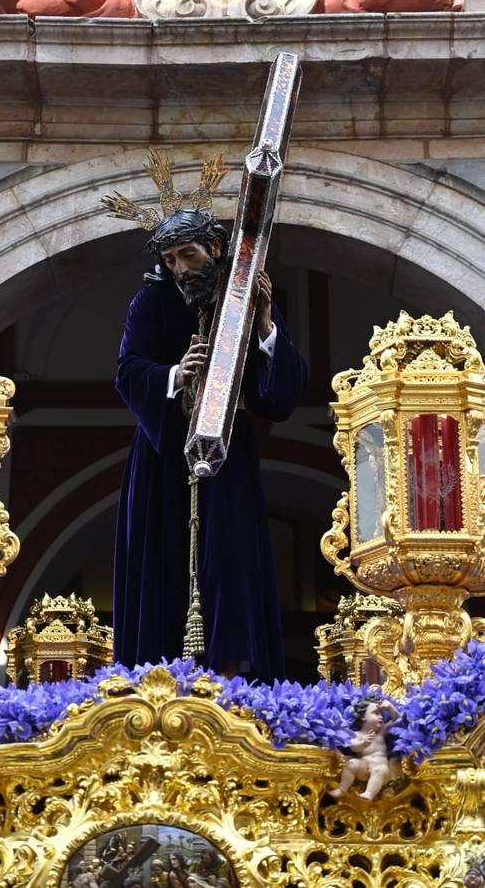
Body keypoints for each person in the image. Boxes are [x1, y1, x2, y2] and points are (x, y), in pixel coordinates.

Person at [113, 206, 307, 683]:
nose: (179, 268)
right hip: (163, 458)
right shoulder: (150, 303)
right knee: (163, 563)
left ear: (216, 250)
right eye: (171, 258)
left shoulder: (243, 300)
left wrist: (264, 326)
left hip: (227, 454)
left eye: (188, 255)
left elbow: (280, 395)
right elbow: (128, 371)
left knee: (232, 561)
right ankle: (156, 682)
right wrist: (176, 374)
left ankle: (231, 678)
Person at [328, 697, 398, 801]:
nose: (381, 717)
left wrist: (390, 708)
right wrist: (364, 743)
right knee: (351, 763)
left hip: (381, 768)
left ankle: (369, 793)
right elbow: (353, 747)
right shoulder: (357, 734)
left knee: (378, 771)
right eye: (376, 713)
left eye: (381, 714)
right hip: (363, 768)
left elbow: (397, 720)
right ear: (363, 716)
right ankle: (342, 789)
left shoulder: (381, 732)